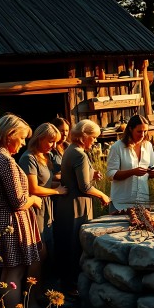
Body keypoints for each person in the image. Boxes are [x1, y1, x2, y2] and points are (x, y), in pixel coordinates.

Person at [0, 114, 43, 308]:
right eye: (22, 138)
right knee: (15, 272)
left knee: (7, 271)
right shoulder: (5, 161)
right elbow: (19, 202)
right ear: (9, 135)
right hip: (9, 221)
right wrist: (34, 199)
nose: (23, 143)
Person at [53, 119, 110, 296]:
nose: (95, 141)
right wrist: (102, 195)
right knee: (75, 244)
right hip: (76, 206)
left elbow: (74, 176)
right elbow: (84, 187)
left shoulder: (71, 150)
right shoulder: (79, 154)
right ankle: (72, 285)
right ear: (84, 136)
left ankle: (68, 283)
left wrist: (91, 174)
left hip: (68, 204)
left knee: (67, 242)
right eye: (93, 137)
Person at [18, 123, 68, 301]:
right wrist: (57, 191)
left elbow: (45, 182)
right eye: (50, 141)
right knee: (38, 253)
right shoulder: (28, 158)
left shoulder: (44, 157)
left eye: (55, 142)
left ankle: (41, 293)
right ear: (39, 138)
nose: (53, 146)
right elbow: (33, 188)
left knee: (45, 254)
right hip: (35, 209)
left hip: (46, 209)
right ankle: (31, 297)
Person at [106, 114, 154, 211]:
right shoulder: (117, 147)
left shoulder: (148, 146)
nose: (142, 135)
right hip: (121, 204)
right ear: (130, 129)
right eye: (139, 131)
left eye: (145, 131)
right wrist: (132, 172)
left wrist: (152, 172)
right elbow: (110, 174)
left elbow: (152, 166)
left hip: (142, 201)